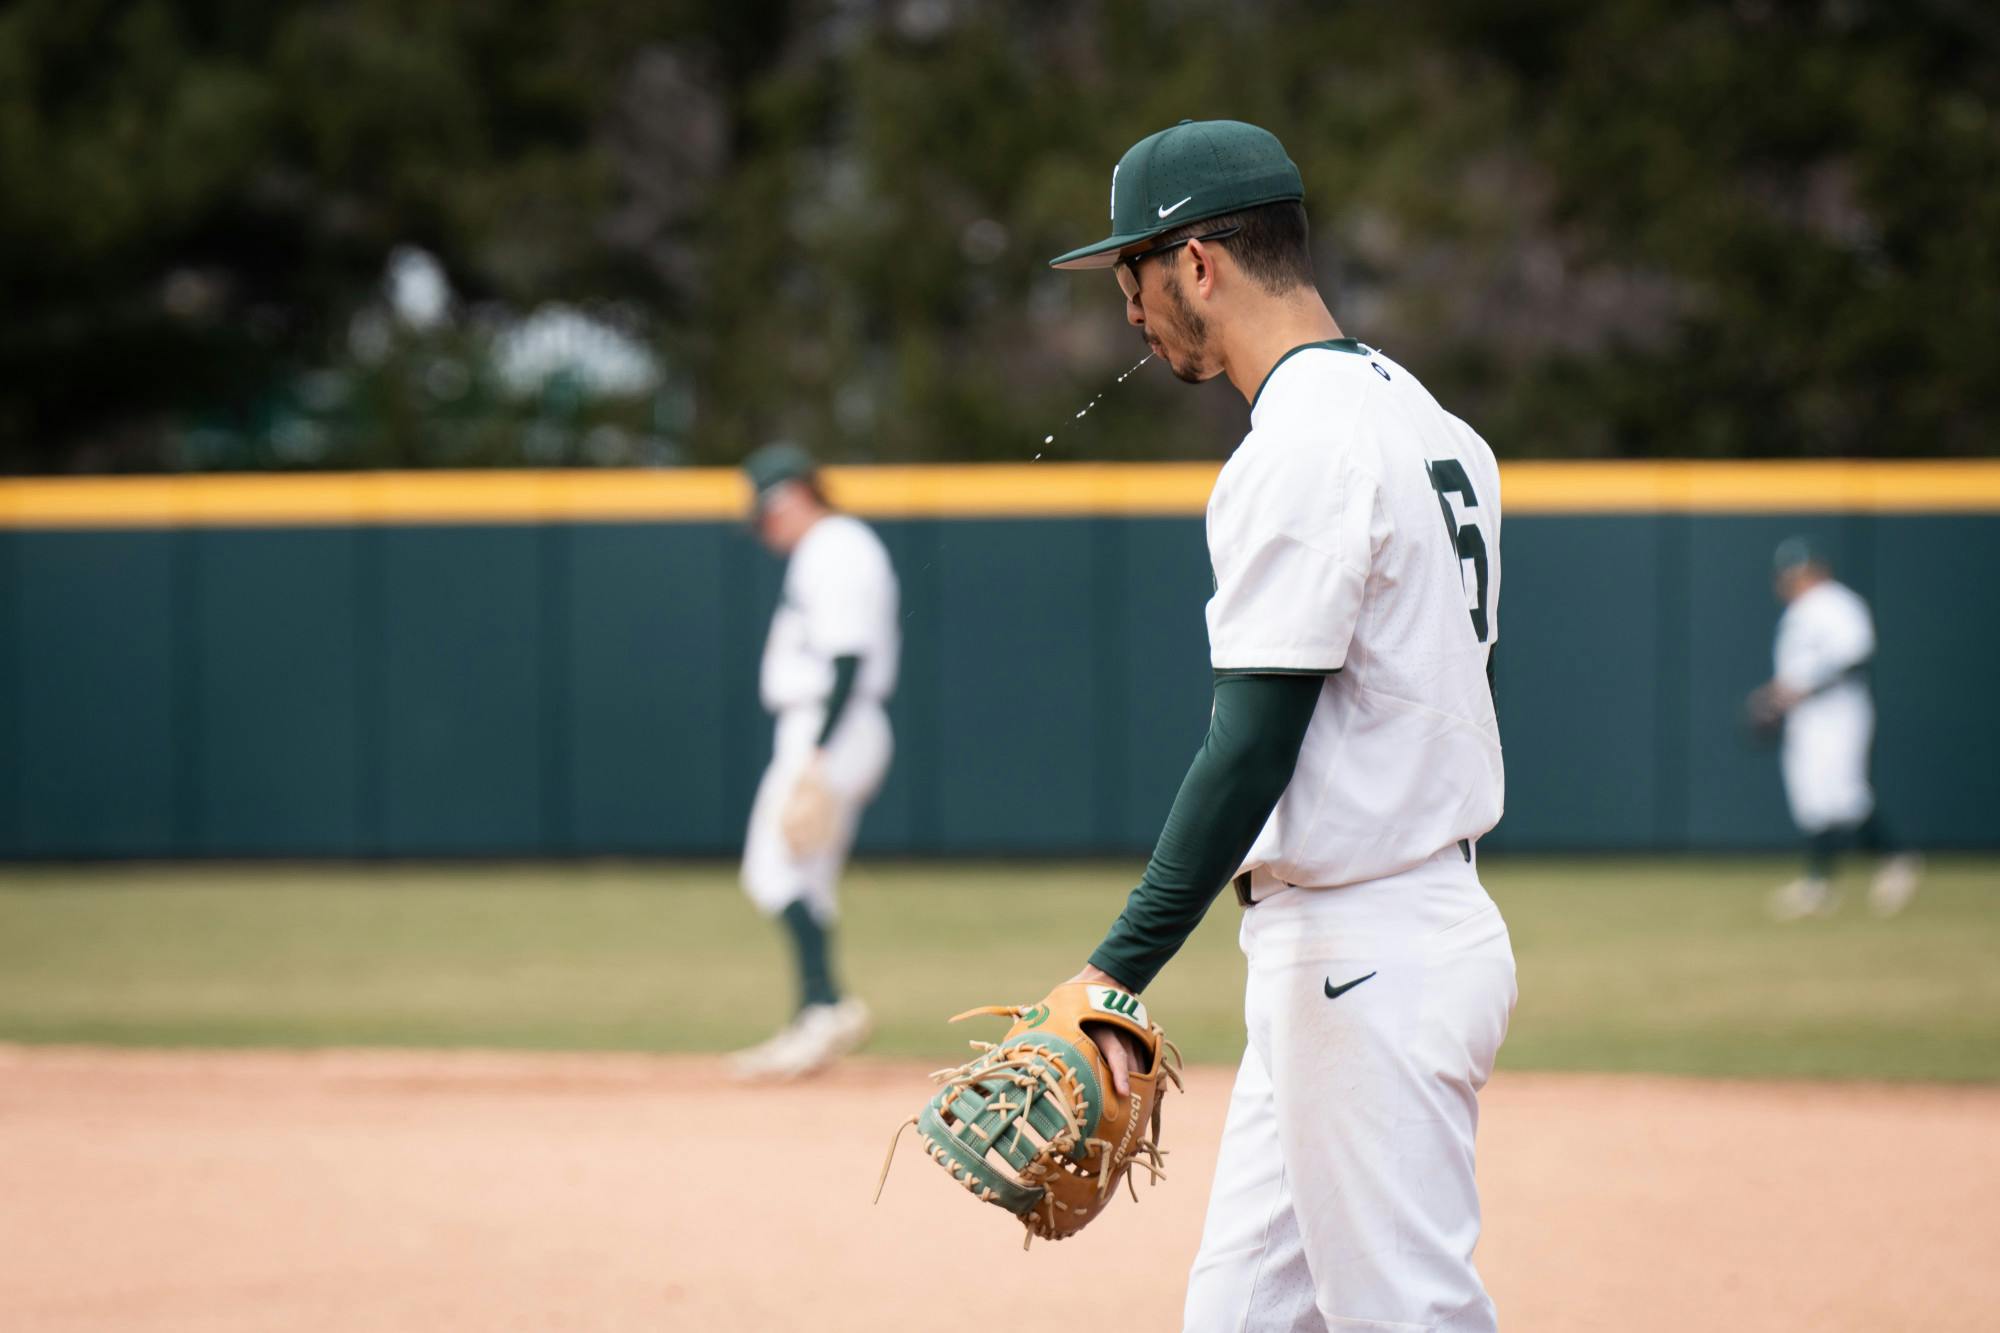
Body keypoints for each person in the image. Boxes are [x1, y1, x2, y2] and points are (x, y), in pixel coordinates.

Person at [1045, 120, 1514, 1331]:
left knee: (1408, 1314)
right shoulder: (1428, 420)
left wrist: (1116, 968)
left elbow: (1251, 743)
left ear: (1196, 261)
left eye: (1131, 275)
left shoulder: (1302, 443)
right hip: (1382, 929)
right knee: (1241, 1317)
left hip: (1365, 942)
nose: (1129, 313)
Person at [728, 443, 900, 1079]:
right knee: (807, 877)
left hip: (830, 724)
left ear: (795, 496)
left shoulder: (836, 547)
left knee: (771, 869)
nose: (764, 529)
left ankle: (823, 1006)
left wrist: (818, 753)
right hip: (834, 724)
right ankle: (819, 1013)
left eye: (767, 513)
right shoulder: (830, 548)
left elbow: (849, 656)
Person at [1750, 537, 1920, 920]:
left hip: (1839, 714)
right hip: (1807, 718)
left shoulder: (1836, 603)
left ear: (1815, 569)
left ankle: (1895, 861)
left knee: (1844, 796)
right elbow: (1796, 674)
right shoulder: (1797, 612)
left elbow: (1854, 657)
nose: (1792, 579)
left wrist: (1802, 690)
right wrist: (1774, 697)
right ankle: (1819, 883)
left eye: (1798, 570)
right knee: (1812, 802)